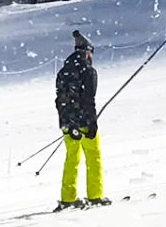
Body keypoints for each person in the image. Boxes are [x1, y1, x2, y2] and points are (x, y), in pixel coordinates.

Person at [55, 30, 108, 209]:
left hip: (67, 123)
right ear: (87, 52)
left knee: (72, 158)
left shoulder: (64, 71)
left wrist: (68, 123)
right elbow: (88, 100)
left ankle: (68, 198)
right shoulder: (88, 71)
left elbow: (60, 99)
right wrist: (91, 123)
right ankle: (95, 195)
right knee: (93, 156)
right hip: (83, 121)